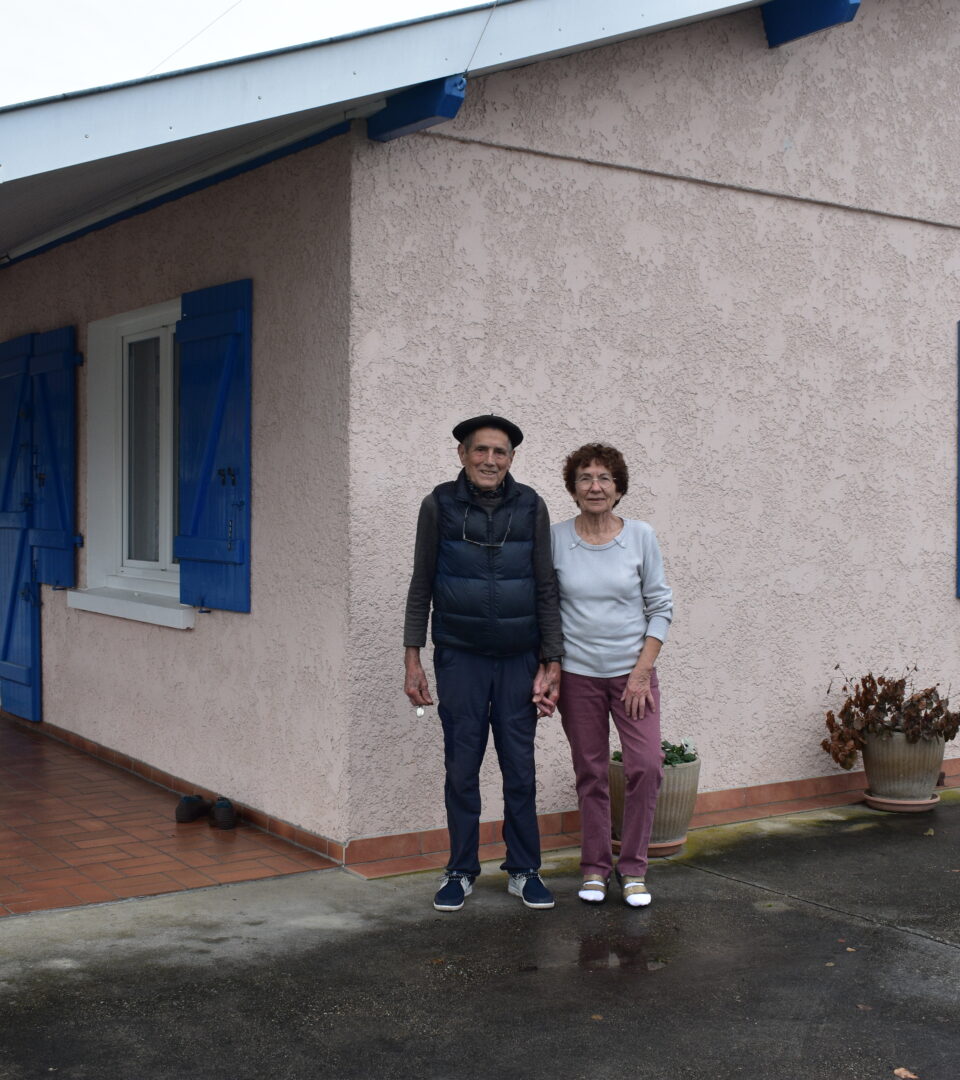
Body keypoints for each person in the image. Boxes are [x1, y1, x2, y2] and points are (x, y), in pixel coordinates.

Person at [404, 415, 563, 912]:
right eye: (481, 451)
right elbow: (420, 584)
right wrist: (413, 658)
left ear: (511, 459)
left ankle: (523, 869)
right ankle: (460, 870)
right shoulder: (439, 505)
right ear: (462, 455)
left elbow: (545, 586)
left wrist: (552, 659)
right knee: (461, 768)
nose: (490, 460)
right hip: (461, 659)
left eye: (501, 452)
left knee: (520, 769)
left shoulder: (531, 505)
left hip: (519, 660)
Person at [551, 443, 673, 908]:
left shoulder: (640, 536)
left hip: (632, 675)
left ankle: (635, 868)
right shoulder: (557, 538)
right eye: (585, 478)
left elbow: (660, 606)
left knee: (645, 765)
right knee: (592, 772)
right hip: (578, 676)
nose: (595, 486)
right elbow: (547, 608)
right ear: (573, 488)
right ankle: (596, 868)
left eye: (604, 478)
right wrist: (551, 667)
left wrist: (642, 672)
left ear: (618, 488)